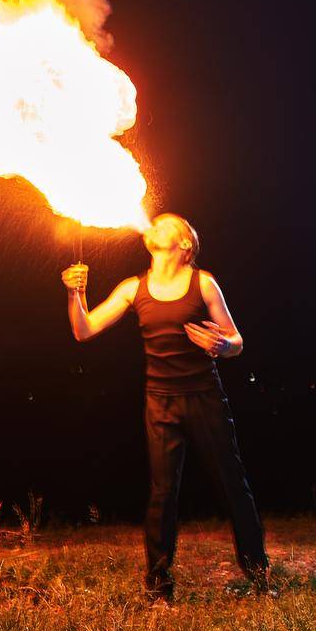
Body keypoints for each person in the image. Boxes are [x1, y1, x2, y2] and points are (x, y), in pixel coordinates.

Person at [62, 212, 269, 603]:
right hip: (159, 401)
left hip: (204, 396)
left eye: (167, 223)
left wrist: (223, 346)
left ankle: (258, 574)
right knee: (162, 492)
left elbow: (237, 340)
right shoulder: (132, 288)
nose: (154, 224)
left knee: (231, 484)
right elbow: (83, 330)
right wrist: (75, 292)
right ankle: (158, 586)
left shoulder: (203, 283)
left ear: (185, 243)